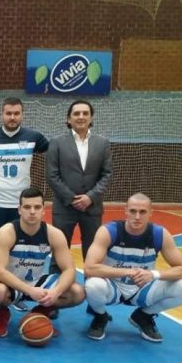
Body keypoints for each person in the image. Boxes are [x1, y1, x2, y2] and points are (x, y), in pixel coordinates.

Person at [83, 193, 182, 343]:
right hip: (113, 286)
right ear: (126, 211)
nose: (137, 217)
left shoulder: (159, 234)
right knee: (93, 285)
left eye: (142, 212)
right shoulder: (109, 231)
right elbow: (90, 268)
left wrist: (153, 274)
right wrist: (127, 272)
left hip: (143, 288)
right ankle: (100, 316)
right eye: (133, 211)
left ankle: (143, 316)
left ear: (150, 213)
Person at [0, 187, 85, 337]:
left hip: (36, 282)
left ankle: (40, 313)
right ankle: (3, 314)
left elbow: (69, 269)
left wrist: (55, 292)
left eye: (37, 207)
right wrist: (29, 291)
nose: (32, 211)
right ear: (19, 210)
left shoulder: (54, 234)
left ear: (43, 210)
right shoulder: (7, 232)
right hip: (10, 283)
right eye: (27, 207)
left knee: (77, 292)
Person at [0, 98, 49, 292]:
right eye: (8, 113)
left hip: (20, 205)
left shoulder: (34, 137)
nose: (12, 117)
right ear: (2, 114)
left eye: (16, 113)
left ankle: (14, 288)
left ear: (22, 115)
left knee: (17, 248)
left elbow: (54, 151)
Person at [46, 99, 112, 264]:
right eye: (76, 113)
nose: (81, 117)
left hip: (92, 208)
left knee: (93, 255)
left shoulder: (102, 143)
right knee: (59, 255)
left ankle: (93, 281)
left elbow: (107, 174)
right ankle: (57, 280)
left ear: (91, 118)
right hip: (64, 207)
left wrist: (90, 197)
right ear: (68, 119)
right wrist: (72, 199)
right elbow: (52, 175)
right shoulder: (56, 142)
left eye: (85, 113)